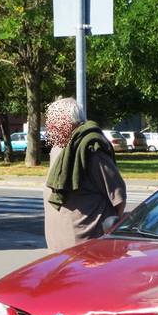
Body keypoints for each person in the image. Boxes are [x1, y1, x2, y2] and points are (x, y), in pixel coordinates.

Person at [43, 97, 127, 252]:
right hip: (58, 251)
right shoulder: (57, 148)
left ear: (68, 122)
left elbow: (118, 195)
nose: (49, 126)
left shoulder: (90, 149)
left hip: (87, 250)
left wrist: (108, 231)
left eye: (54, 121)